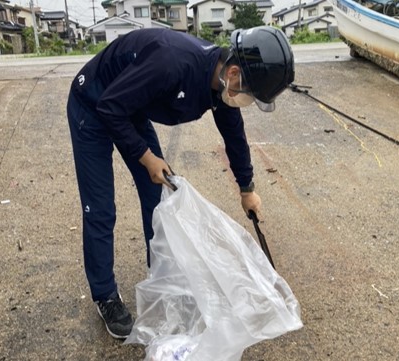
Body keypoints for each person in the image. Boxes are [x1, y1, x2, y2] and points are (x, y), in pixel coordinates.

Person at [67, 26, 294, 339]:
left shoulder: (221, 88)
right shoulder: (172, 63)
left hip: (129, 105)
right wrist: (146, 156)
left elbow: (234, 136)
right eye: (251, 94)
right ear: (233, 72)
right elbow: (109, 106)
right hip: (93, 103)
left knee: (157, 196)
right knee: (101, 207)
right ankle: (105, 295)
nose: (248, 101)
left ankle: (161, 276)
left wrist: (247, 189)